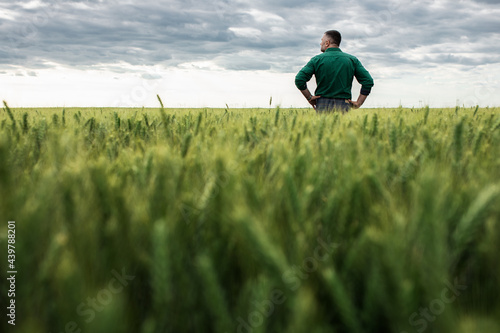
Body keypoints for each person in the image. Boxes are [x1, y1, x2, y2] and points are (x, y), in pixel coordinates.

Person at [295, 30, 374, 113]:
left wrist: (309, 98)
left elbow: (299, 79)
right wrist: (359, 103)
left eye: (322, 41)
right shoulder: (352, 60)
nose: (320, 43)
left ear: (327, 43)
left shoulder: (316, 60)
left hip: (322, 104)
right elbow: (368, 81)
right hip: (344, 104)